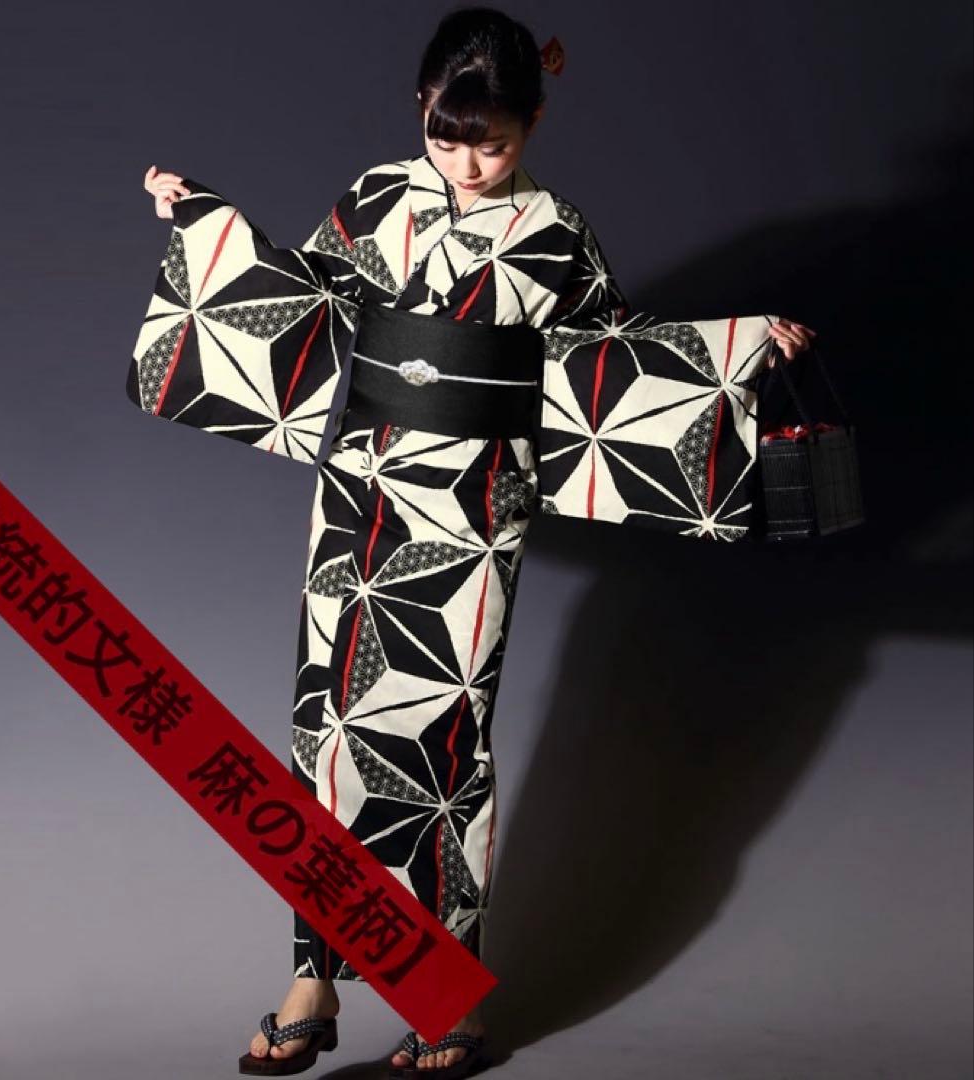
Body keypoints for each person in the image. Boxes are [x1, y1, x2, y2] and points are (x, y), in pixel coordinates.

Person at [138, 7, 814, 1076]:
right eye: (445, 137)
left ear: (533, 123)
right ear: (420, 108)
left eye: (490, 143)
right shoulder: (377, 195)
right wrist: (203, 226)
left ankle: (448, 999)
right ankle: (314, 978)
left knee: (442, 747)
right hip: (358, 493)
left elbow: (614, 354)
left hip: (472, 505)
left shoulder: (555, 230)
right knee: (327, 733)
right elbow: (301, 301)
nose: (464, 163)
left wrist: (740, 349)